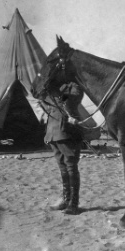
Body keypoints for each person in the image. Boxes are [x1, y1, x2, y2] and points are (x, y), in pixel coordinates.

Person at [45, 82, 84, 215]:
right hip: (53, 130)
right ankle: (65, 199)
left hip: (66, 130)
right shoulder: (49, 85)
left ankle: (73, 203)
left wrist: (56, 90)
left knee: (70, 165)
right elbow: (44, 101)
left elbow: (72, 99)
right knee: (62, 166)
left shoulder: (74, 85)